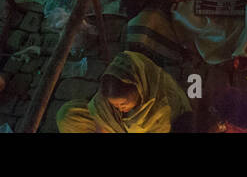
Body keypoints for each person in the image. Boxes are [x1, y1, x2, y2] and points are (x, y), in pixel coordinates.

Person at [57, 51, 191, 133]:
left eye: (123, 104)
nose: (121, 108)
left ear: (139, 90)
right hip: (115, 124)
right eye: (116, 106)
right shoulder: (124, 70)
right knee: (68, 115)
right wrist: (102, 123)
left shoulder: (163, 109)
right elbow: (101, 105)